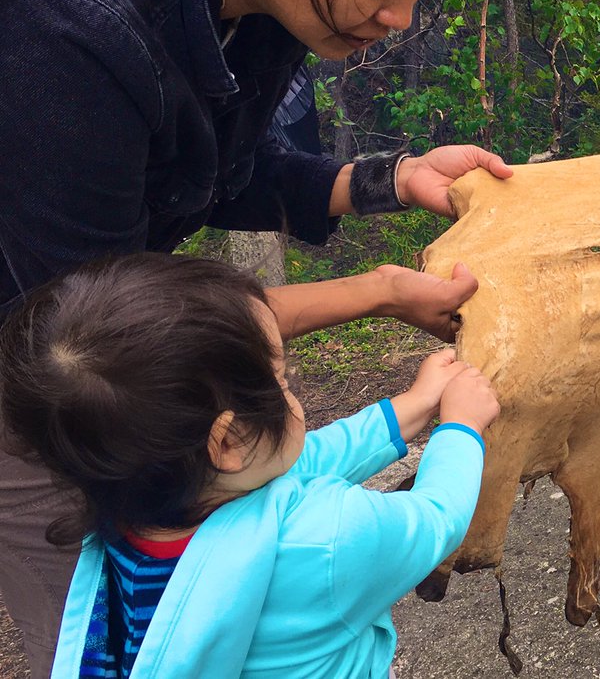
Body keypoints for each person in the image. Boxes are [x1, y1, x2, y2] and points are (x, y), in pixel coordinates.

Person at [0, 0, 518, 673]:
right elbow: (111, 339)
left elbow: (216, 167)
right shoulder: (64, 15)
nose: (401, 16)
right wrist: (379, 292)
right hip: (41, 351)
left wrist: (388, 178)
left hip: (88, 323)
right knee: (120, 627)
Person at [0, 253, 501, 677]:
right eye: (282, 378)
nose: (291, 389)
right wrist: (461, 427)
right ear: (226, 441)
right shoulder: (324, 538)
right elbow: (438, 518)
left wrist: (414, 403)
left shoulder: (132, 513)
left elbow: (307, 460)